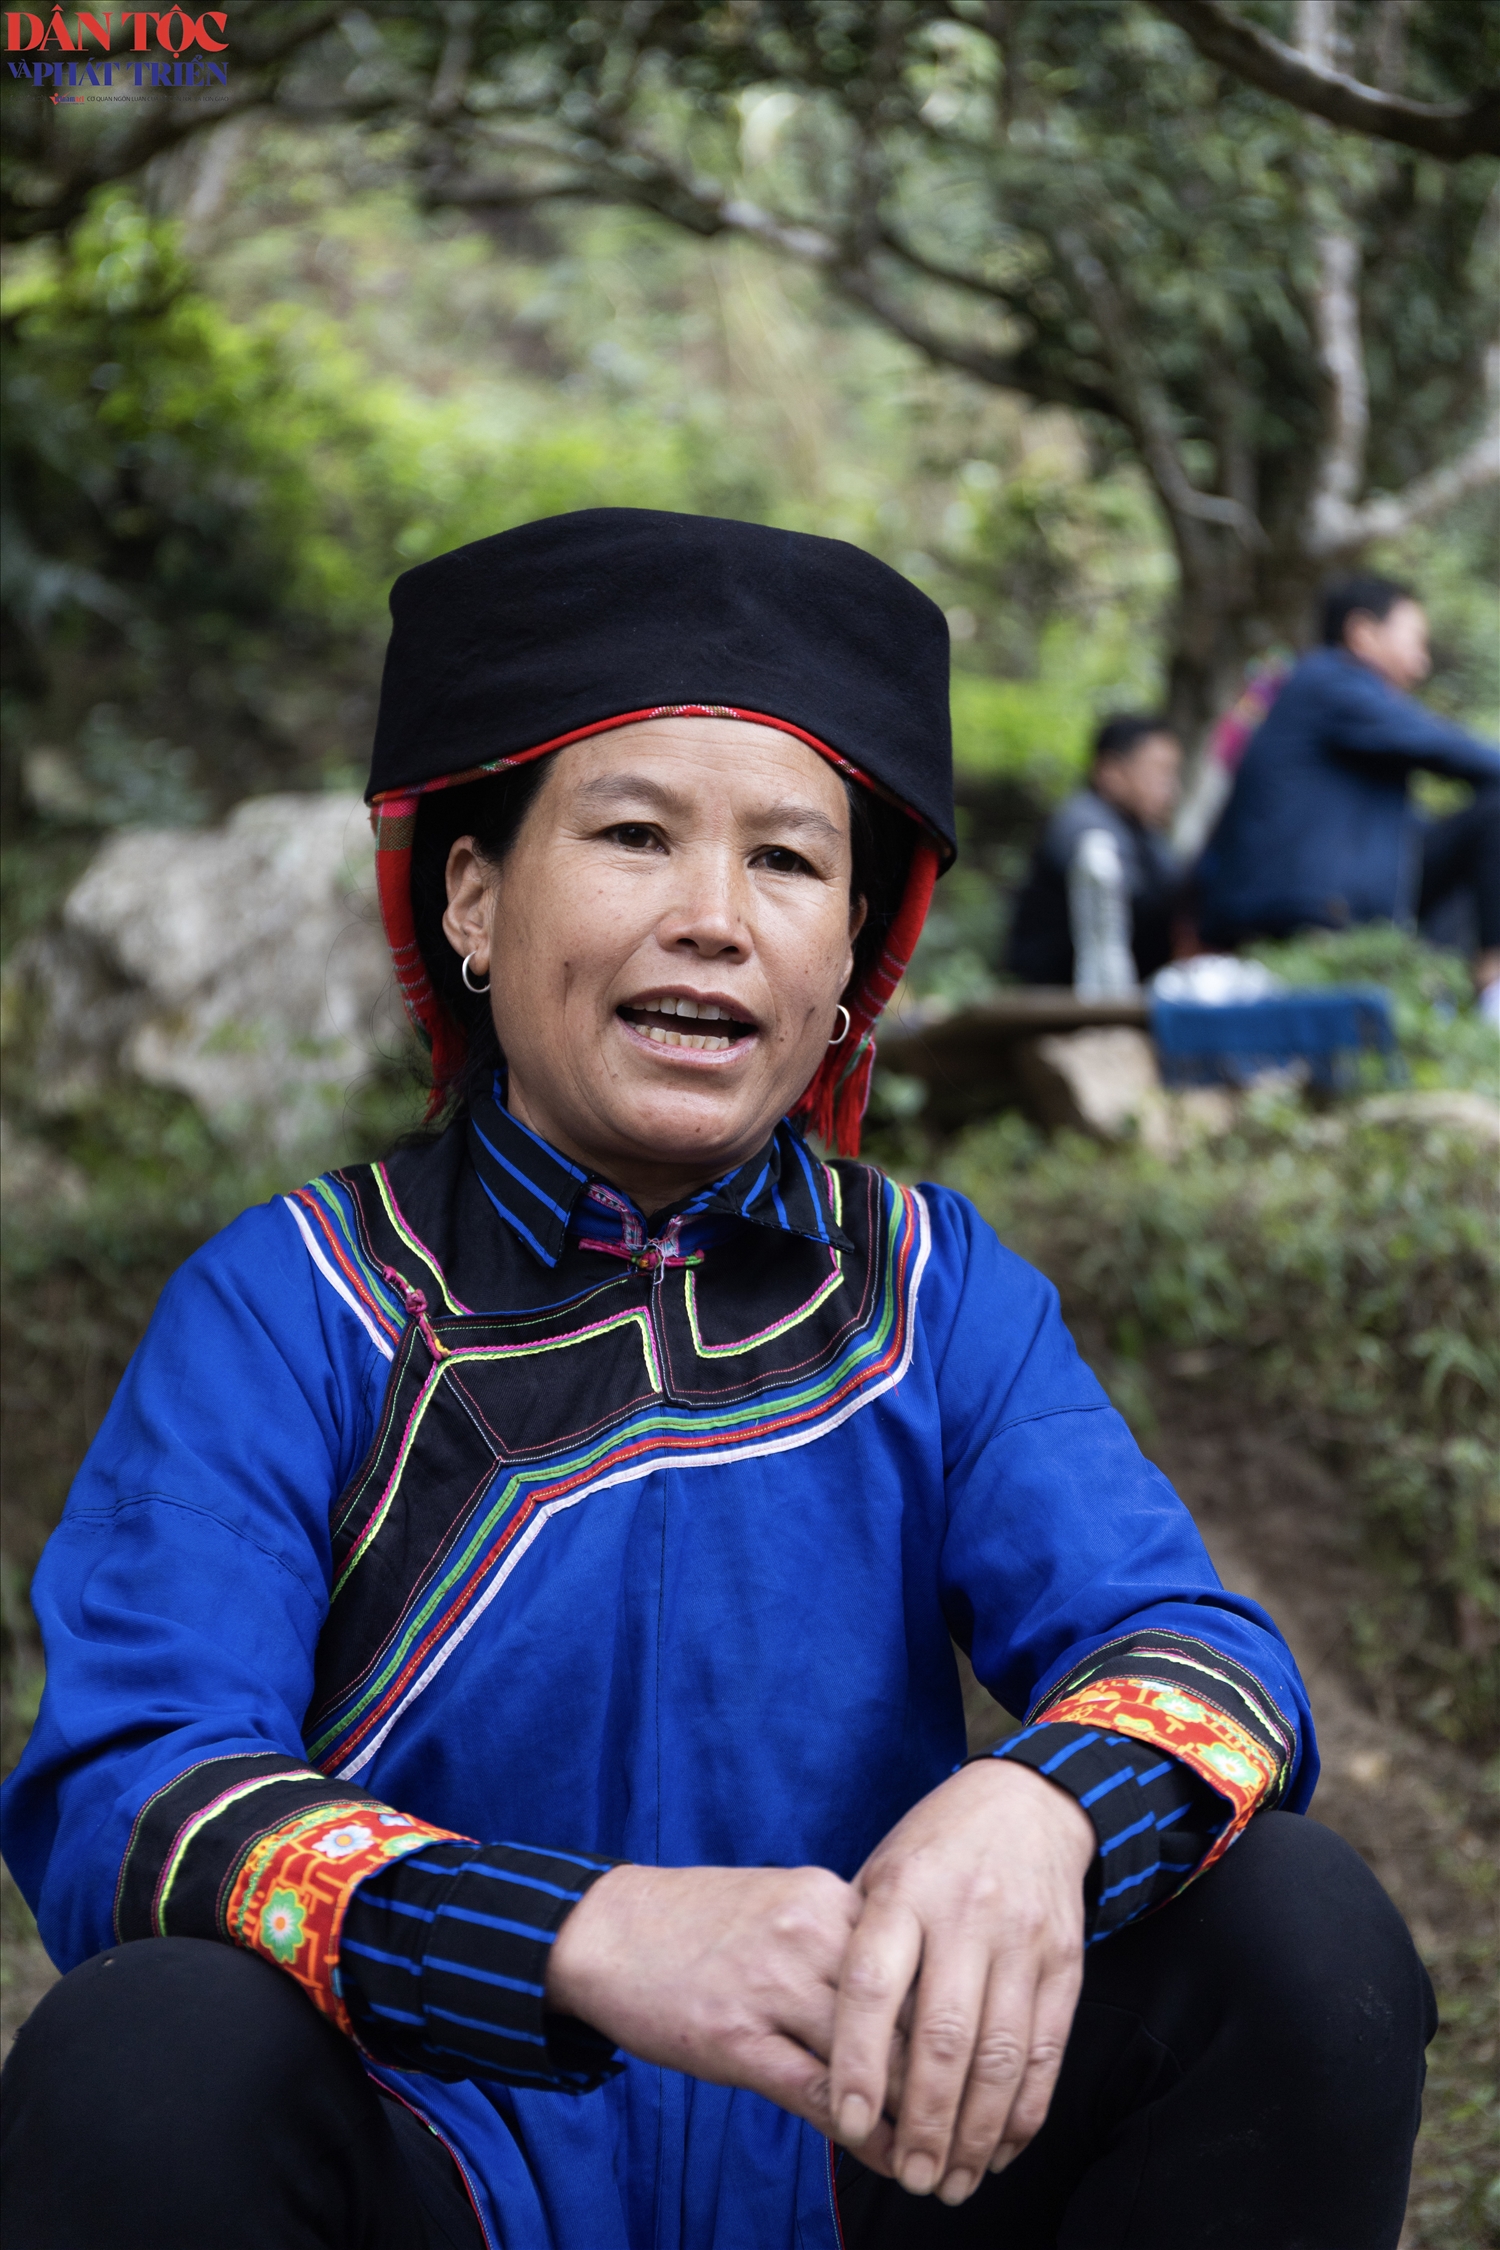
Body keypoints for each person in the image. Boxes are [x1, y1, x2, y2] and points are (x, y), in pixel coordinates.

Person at [0, 511, 1433, 2250]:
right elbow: (135, 1794)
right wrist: (578, 1939)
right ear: (471, 896)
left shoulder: (929, 1291)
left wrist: (1038, 1804)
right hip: (426, 2170)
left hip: (874, 2152)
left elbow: (1203, 1652)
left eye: (787, 862)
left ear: (851, 959)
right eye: (629, 833)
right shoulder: (294, 1308)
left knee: (1295, 1934)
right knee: (147, 2055)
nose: (712, 920)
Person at [1196, 576, 1500, 1015]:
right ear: (1363, 633)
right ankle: (1493, 985)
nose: (1422, 664)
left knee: (1482, 838)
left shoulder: (1348, 725)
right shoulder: (1329, 681)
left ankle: (1457, 989)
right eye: (1415, 641)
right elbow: (1446, 747)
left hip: (1343, 908)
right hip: (1292, 912)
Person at [1004, 715, 1183, 995]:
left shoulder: (1147, 836)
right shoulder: (1082, 823)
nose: (1171, 788)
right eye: (1160, 771)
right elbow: (1125, 892)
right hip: (1054, 998)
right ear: (1110, 772)